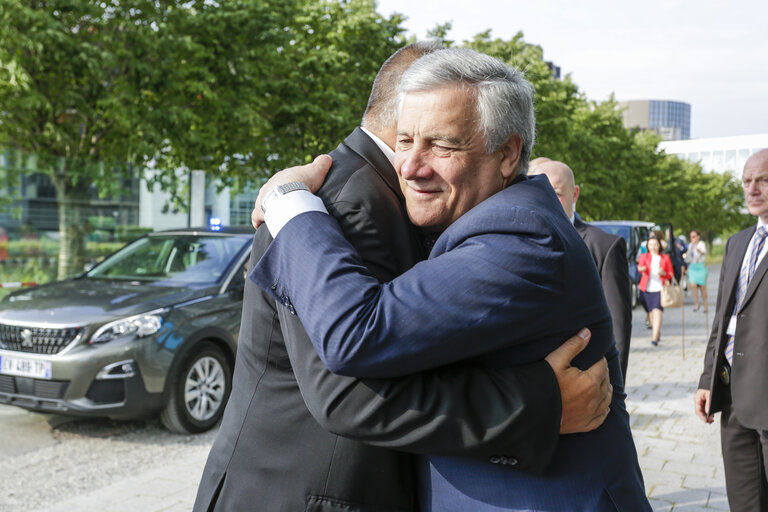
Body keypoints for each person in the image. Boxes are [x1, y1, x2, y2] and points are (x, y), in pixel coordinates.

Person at [194, 43, 612, 511]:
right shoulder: (351, 202)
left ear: (508, 153)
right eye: (406, 141)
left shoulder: (513, 228)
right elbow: (346, 391)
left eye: (442, 143)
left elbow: (368, 336)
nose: (412, 166)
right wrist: (538, 404)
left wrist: (288, 199)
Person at [694, 148, 768, 511]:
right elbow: (721, 320)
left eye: (763, 180)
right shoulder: (738, 243)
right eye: (747, 181)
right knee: (744, 502)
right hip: (733, 397)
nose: (752, 189)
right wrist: (707, 380)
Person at [529, 160, 633, 383]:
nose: (547, 200)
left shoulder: (604, 246)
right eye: (539, 192)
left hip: (586, 380)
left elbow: (618, 326)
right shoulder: (515, 241)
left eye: (556, 193)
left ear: (575, 194)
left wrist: (612, 390)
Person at [637, 234, 673, 346]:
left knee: (657, 310)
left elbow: (671, 274)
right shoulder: (644, 256)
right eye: (651, 244)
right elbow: (639, 268)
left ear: (659, 245)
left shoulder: (665, 258)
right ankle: (656, 332)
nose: (653, 246)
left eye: (655, 244)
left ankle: (654, 338)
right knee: (651, 312)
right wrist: (641, 269)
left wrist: (664, 273)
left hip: (660, 288)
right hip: (646, 288)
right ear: (647, 245)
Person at [686, 229, 709, 312]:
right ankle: (696, 303)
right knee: (693, 285)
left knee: (703, 287)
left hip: (701, 266)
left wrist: (698, 250)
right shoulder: (690, 245)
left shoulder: (701, 244)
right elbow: (688, 257)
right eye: (691, 237)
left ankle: (705, 305)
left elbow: (704, 252)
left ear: (698, 237)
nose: (692, 238)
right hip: (692, 267)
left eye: (694, 236)